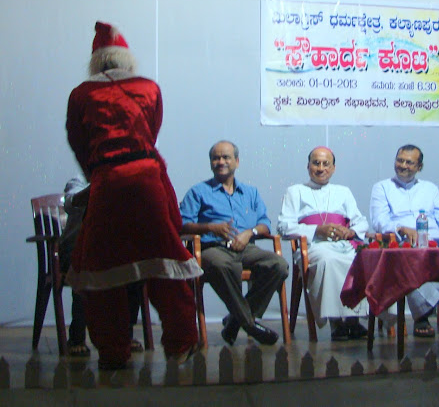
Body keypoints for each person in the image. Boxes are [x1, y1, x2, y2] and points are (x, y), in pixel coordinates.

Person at [65, 21, 203, 370]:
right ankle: (181, 342)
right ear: (127, 59)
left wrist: (98, 172)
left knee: (103, 266)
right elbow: (151, 134)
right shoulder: (149, 88)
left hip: (107, 183)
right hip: (147, 181)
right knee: (163, 260)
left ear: (96, 60)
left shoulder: (81, 94)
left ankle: (113, 350)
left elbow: (78, 142)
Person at [179, 140, 289, 345]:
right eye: (216, 158)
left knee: (278, 264)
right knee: (223, 265)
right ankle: (249, 323)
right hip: (213, 248)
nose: (221, 162)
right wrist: (210, 227)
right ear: (211, 163)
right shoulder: (198, 192)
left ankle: (235, 321)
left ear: (237, 161)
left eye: (226, 157)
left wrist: (249, 233)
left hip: (246, 247)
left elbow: (265, 224)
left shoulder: (250, 192)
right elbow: (182, 225)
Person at [369, 144, 439, 338]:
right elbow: (380, 221)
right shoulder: (382, 187)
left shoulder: (430, 188)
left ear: (419, 167)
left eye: (409, 162)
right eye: (400, 160)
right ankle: (421, 316)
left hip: (436, 238)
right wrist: (400, 228)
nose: (403, 165)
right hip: (407, 241)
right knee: (413, 256)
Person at [277, 146, 369, 341]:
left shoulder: (343, 192)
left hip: (344, 245)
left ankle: (353, 319)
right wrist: (317, 230)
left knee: (363, 261)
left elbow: (361, 221)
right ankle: (336, 322)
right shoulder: (295, 191)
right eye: (316, 163)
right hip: (314, 246)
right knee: (329, 260)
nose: (320, 168)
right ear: (308, 166)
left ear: (333, 168)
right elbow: (284, 226)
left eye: (326, 164)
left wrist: (351, 231)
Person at [59, 176, 145, 357]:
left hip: (109, 249)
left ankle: (125, 335)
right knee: (87, 263)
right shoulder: (79, 180)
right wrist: (103, 184)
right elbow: (70, 203)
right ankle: (77, 338)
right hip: (76, 249)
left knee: (136, 269)